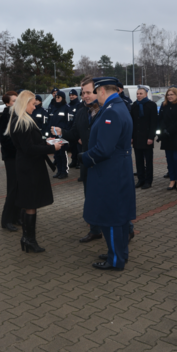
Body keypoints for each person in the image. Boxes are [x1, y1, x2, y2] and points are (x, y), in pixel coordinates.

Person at [79, 77, 136, 271]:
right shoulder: (118, 107)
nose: (94, 95)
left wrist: (84, 157)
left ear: (102, 90)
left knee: (110, 216)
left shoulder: (112, 111)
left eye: (95, 91)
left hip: (110, 171)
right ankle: (119, 253)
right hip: (117, 168)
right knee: (119, 215)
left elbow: (103, 149)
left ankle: (115, 260)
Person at [5, 90, 62, 253]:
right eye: (32, 104)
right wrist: (51, 147)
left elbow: (31, 142)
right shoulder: (22, 121)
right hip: (29, 168)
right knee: (30, 204)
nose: (35, 107)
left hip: (29, 166)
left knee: (29, 203)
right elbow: (29, 148)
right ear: (25, 104)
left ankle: (27, 239)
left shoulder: (22, 119)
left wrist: (46, 141)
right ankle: (29, 240)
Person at [51, 78, 102, 243]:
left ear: (98, 91)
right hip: (87, 162)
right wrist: (61, 132)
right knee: (90, 197)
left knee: (109, 199)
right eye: (83, 93)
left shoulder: (107, 111)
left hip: (103, 163)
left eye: (88, 92)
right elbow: (74, 133)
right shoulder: (81, 111)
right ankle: (94, 230)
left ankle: (126, 228)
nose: (85, 96)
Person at [0, 91, 21, 231]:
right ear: (7, 103)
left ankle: (16, 217)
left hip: (19, 156)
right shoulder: (5, 117)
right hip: (11, 157)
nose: (16, 103)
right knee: (12, 188)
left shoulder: (18, 114)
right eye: (14, 101)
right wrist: (19, 146)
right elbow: (5, 140)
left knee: (19, 188)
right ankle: (6, 220)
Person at [131, 86, 157, 189]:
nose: (138, 95)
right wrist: (131, 137)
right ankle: (141, 179)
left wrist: (151, 137)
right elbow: (132, 122)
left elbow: (154, 123)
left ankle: (148, 181)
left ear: (146, 94)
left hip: (147, 138)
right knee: (138, 160)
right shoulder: (134, 105)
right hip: (137, 138)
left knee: (148, 161)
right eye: (137, 94)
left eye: (141, 93)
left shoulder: (151, 105)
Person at [158, 87, 177, 191]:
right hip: (166, 137)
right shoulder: (164, 106)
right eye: (168, 95)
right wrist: (161, 131)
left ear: (176, 95)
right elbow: (160, 120)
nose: (169, 96)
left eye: (172, 94)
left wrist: (170, 130)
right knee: (169, 160)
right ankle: (172, 180)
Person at [47, 90, 72, 179]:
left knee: (62, 153)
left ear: (63, 98)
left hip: (62, 135)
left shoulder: (66, 107)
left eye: (59, 97)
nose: (57, 99)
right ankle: (59, 171)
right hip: (54, 135)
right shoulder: (54, 108)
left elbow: (69, 122)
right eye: (56, 97)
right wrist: (50, 133)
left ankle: (64, 171)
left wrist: (65, 132)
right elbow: (50, 121)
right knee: (57, 153)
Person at [68, 89, 81, 168]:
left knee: (78, 147)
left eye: (73, 95)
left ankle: (79, 162)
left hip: (77, 129)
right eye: (70, 95)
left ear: (76, 96)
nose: (71, 96)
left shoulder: (79, 105)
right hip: (70, 129)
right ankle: (74, 161)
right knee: (72, 147)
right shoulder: (69, 105)